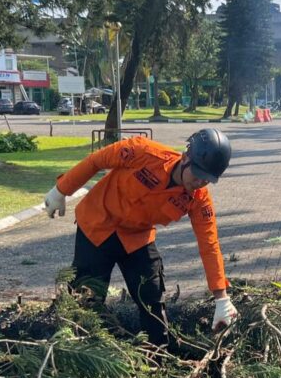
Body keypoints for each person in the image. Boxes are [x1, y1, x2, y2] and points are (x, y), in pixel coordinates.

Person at [44, 129, 238, 345]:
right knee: (86, 299)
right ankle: (83, 353)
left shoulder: (198, 199)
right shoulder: (141, 151)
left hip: (136, 238)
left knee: (152, 299)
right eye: (198, 174)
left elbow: (209, 244)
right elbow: (96, 161)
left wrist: (221, 297)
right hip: (96, 226)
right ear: (185, 158)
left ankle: (158, 357)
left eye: (207, 179)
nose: (200, 183)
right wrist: (60, 190)